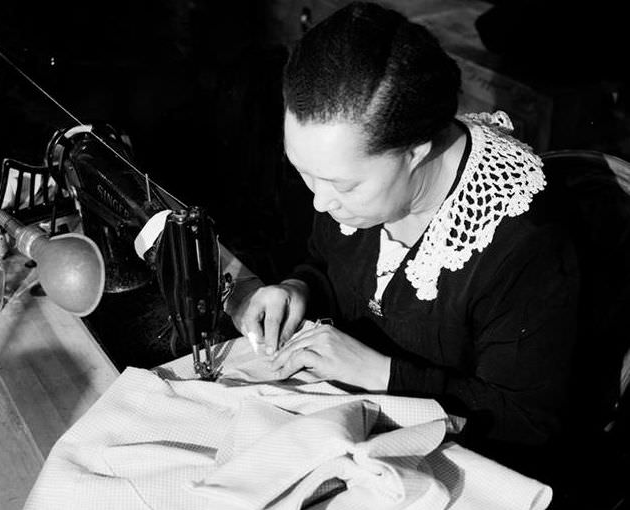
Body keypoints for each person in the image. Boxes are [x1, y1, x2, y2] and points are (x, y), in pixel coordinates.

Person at [229, 1, 579, 475]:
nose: (319, 203)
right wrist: (298, 289)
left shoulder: (526, 243)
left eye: (343, 185)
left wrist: (382, 374)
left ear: (416, 152)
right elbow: (328, 265)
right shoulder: (350, 181)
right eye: (304, 174)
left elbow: (528, 421)